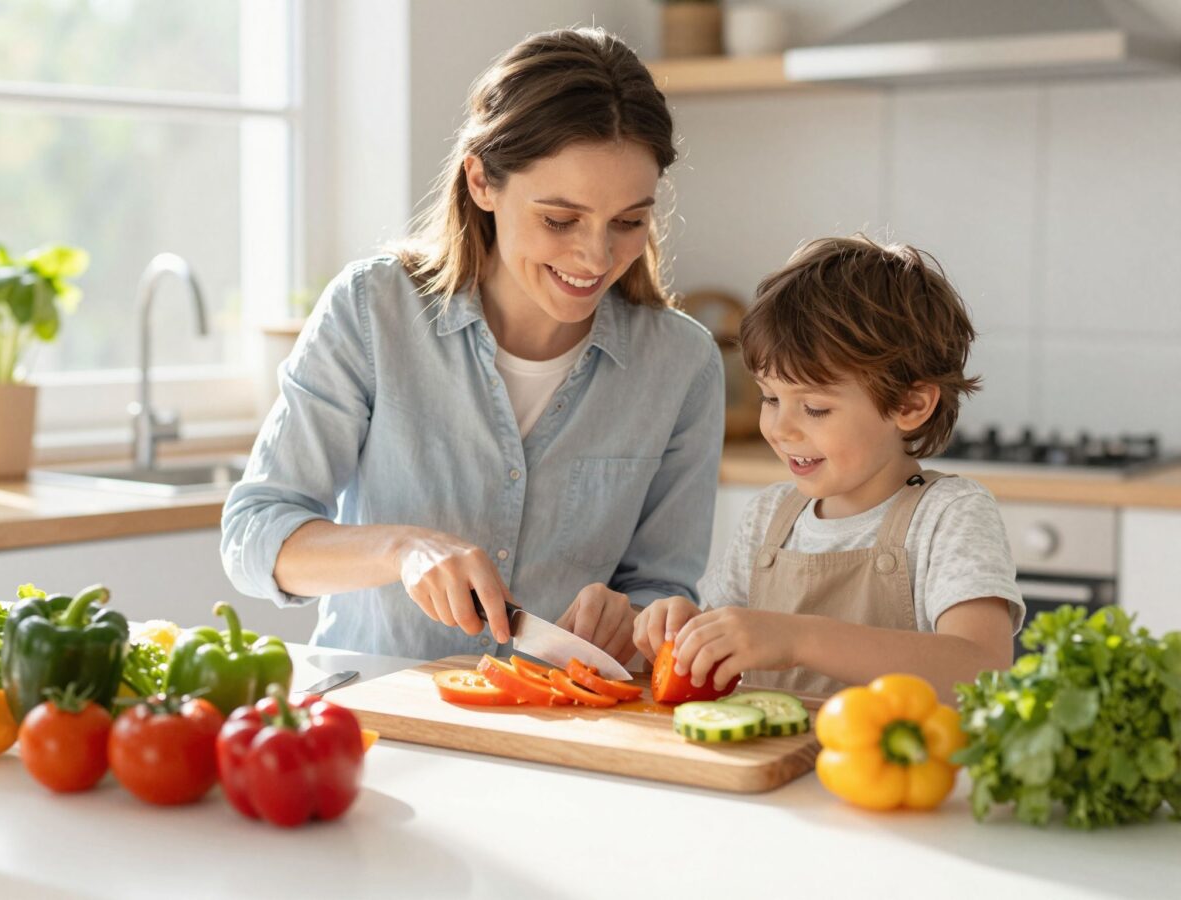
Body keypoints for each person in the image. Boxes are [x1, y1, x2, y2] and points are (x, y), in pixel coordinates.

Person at [221, 28, 724, 663]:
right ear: (482, 181)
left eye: (628, 221)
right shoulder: (372, 311)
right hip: (379, 718)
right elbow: (254, 533)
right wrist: (401, 550)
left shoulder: (681, 366)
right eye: (559, 220)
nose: (596, 256)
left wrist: (637, 617)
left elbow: (662, 590)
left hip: (560, 727)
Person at [632, 235, 1023, 700]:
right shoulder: (769, 518)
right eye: (770, 398)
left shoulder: (948, 515)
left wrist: (799, 639)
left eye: (815, 408)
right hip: (774, 768)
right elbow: (722, 651)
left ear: (911, 404)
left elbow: (981, 670)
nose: (780, 428)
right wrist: (680, 629)